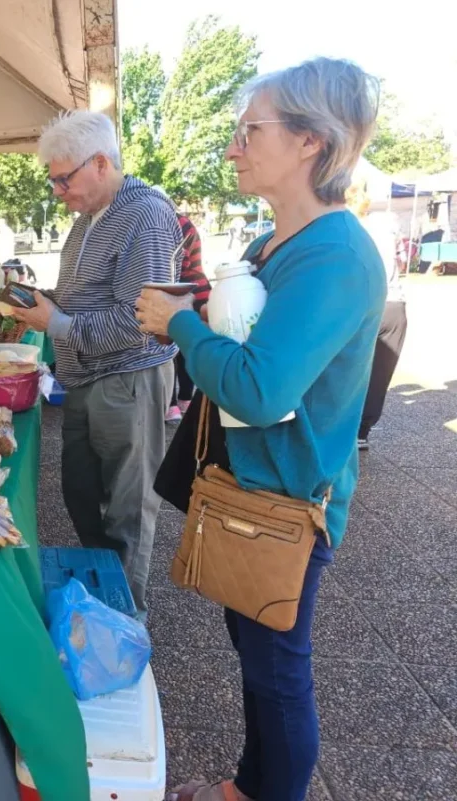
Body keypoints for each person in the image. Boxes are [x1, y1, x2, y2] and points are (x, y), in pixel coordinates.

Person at [136, 57, 383, 801]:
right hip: (252, 492)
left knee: (277, 672)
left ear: (312, 141)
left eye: (250, 130)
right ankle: (249, 784)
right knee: (256, 657)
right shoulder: (272, 246)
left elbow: (258, 386)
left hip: (286, 503)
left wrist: (180, 323)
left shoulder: (335, 256)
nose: (233, 147)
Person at [11, 109, 177, 614]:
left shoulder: (145, 214)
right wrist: (39, 301)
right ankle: (102, 591)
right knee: (81, 493)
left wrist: (54, 324)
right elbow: (84, 296)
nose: (58, 191)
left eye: (64, 178)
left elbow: (140, 319)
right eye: (54, 180)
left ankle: (125, 616)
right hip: (86, 377)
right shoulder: (89, 218)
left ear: (101, 163)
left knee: (128, 506)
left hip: (129, 377)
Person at [346, 181, 407, 450]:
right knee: (380, 372)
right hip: (395, 304)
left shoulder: (347, 229)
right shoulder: (386, 227)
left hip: (361, 304)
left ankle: (342, 428)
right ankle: (363, 431)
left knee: (347, 369)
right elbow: (401, 263)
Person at [166, 214, 211, 423]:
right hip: (200, 288)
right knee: (187, 347)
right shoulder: (184, 221)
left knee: (169, 349)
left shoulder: (165, 221)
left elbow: (172, 264)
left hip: (178, 292)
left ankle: (172, 404)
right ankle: (185, 398)